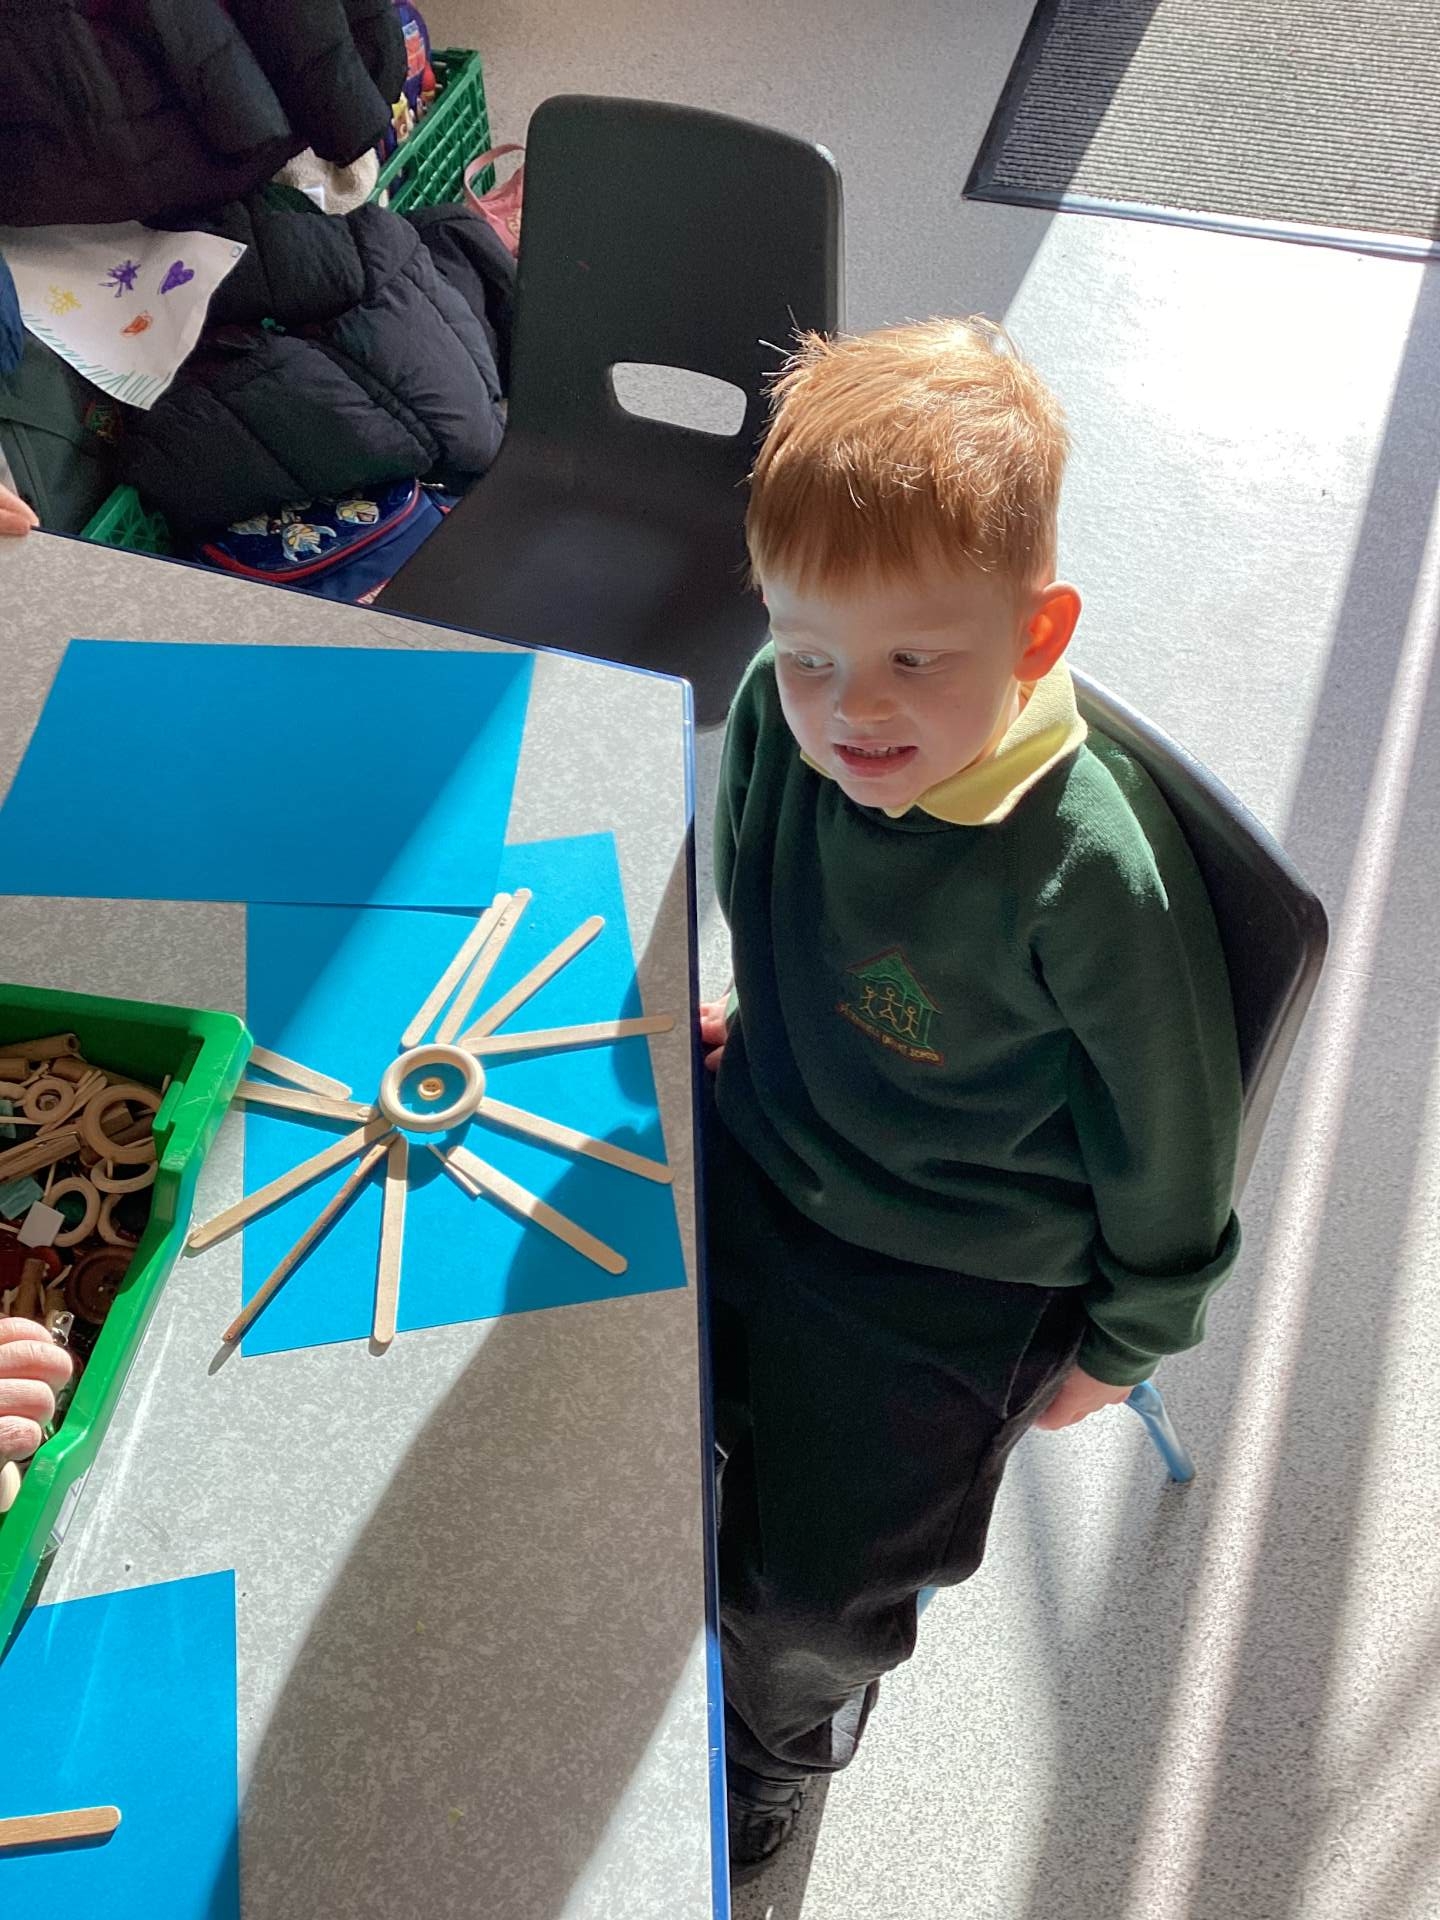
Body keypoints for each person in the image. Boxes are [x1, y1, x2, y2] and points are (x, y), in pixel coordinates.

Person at [701, 317, 1242, 1881]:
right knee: (596, 1373)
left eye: (913, 660)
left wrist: (1128, 1338)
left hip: (961, 1266)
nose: (847, 710)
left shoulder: (1088, 869)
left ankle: (777, 1742)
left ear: (1037, 633)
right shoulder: (778, 709)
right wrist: (755, 1018)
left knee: (804, 1603)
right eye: (810, 649)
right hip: (777, 1138)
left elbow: (1175, 1131)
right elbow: (758, 887)